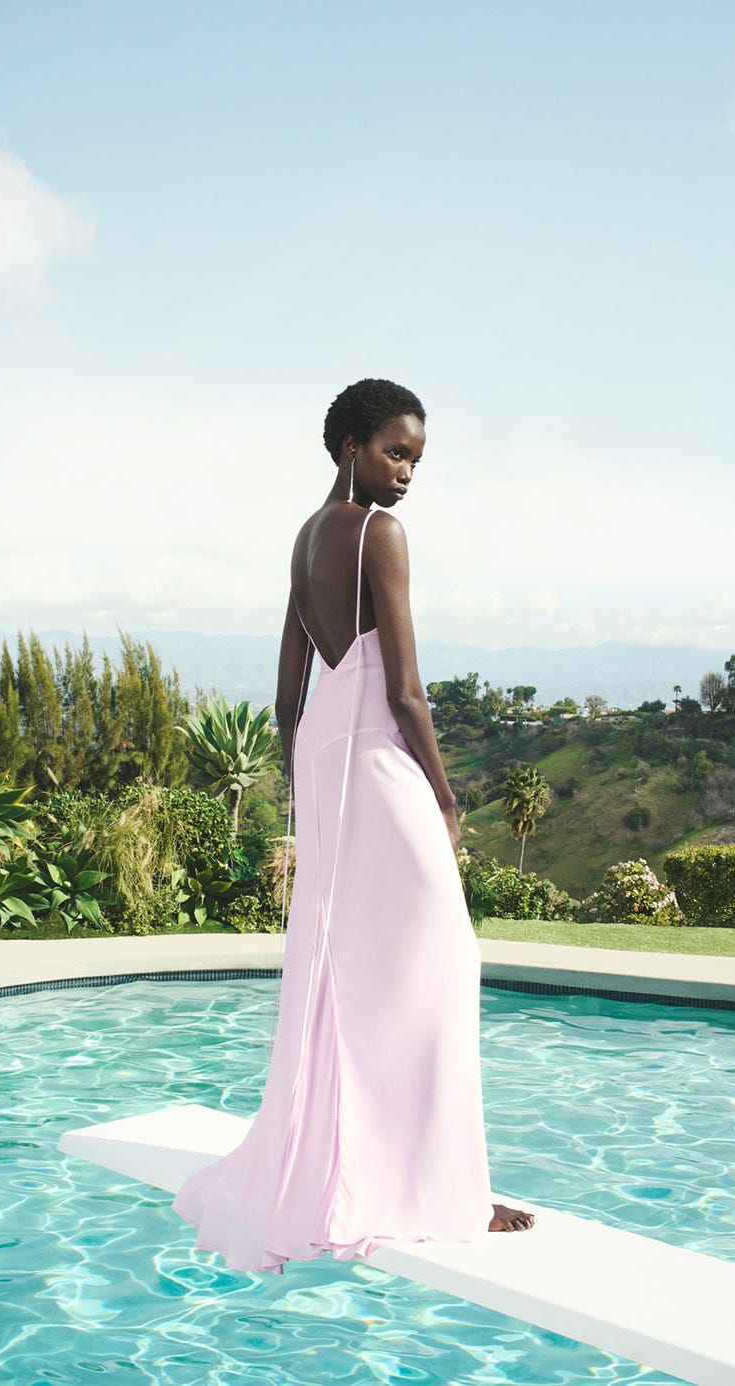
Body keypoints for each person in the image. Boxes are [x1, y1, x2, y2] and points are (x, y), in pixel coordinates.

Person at [172, 378, 534, 1272]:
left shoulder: (305, 540)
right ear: (351, 447)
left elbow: (286, 689)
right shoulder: (380, 534)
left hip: (327, 761)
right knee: (445, 961)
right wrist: (446, 799)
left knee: (357, 971)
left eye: (415, 459)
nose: (407, 473)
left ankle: (398, 1174)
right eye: (394, 452)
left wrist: (303, 792)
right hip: (378, 761)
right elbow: (406, 690)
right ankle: (444, 1193)